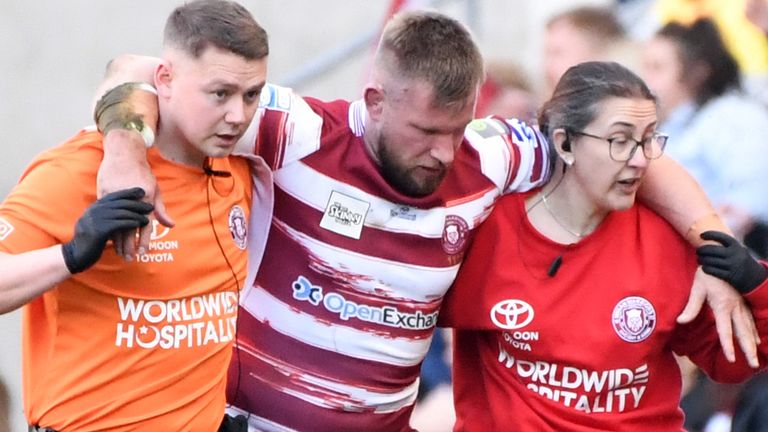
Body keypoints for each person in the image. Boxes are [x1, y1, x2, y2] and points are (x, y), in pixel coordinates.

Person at [93, 10, 758, 432]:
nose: (444, 152)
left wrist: (713, 244)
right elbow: (138, 69)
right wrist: (124, 155)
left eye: (457, 127)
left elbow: (625, 146)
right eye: (424, 131)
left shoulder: (490, 154)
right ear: (375, 100)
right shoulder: (295, 131)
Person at [439, 61, 768, 432]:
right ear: (564, 142)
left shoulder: (666, 241)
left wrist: (754, 281)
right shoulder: (485, 230)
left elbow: (738, 360)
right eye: (620, 141)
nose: (641, 159)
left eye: (648, 139)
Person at [0, 1, 268, 430]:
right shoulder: (79, 171)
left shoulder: (242, 167)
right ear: (164, 80)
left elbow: (126, 68)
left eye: (252, 95)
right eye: (219, 94)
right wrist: (69, 256)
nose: (237, 115)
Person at [641, 18, 768, 243]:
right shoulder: (671, 122)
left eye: (657, 68)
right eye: (645, 67)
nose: (645, 80)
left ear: (697, 72)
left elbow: (752, 200)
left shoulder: (733, 117)